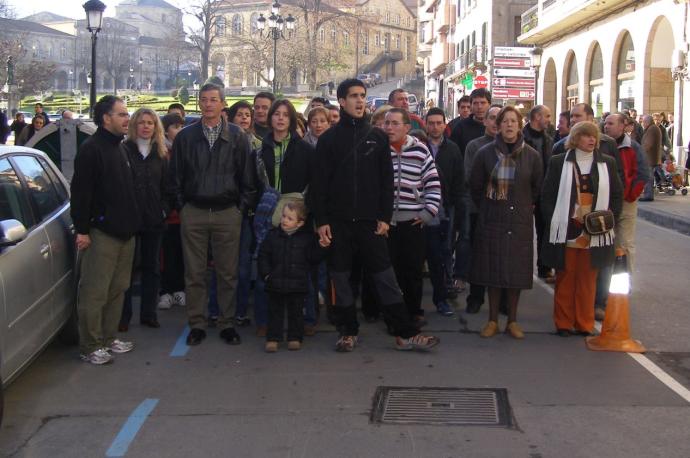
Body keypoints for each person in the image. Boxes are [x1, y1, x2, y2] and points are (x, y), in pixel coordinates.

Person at [312, 78, 440, 352]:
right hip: (339, 223)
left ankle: (404, 332)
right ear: (342, 102)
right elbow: (319, 184)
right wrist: (321, 221)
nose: (360, 100)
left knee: (385, 278)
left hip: (371, 223)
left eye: (363, 95)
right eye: (354, 96)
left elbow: (386, 182)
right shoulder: (329, 140)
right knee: (342, 279)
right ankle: (347, 331)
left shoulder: (377, 137)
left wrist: (384, 217)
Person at [168, 83, 258, 346]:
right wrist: (182, 206)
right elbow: (175, 177)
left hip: (227, 212)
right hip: (193, 212)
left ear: (222, 103)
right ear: (199, 103)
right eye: (204, 100)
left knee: (227, 272)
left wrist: (240, 208)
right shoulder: (185, 137)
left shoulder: (238, 137)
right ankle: (197, 322)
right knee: (194, 273)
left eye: (213, 100)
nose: (208, 104)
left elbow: (247, 178)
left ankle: (226, 323)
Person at [70, 95, 141, 365]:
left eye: (126, 114)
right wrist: (83, 230)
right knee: (94, 292)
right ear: (106, 118)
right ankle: (90, 345)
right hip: (101, 234)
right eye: (122, 114)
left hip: (125, 234)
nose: (127, 119)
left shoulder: (120, 147)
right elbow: (81, 194)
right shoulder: (91, 149)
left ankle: (109, 338)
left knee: (117, 289)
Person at [541, 121, 623, 337]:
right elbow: (547, 195)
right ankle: (563, 323)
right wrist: (555, 220)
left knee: (588, 279)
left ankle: (584, 323)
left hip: (596, 231)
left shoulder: (608, 163)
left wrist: (608, 218)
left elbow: (616, 195)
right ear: (576, 138)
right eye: (586, 135)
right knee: (566, 276)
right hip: (566, 228)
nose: (591, 139)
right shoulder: (559, 162)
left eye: (594, 135)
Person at [469, 106, 543, 339]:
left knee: (516, 273)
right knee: (493, 271)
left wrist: (522, 206)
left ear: (520, 125)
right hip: (493, 219)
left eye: (513, 121)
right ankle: (492, 320)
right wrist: (489, 208)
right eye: (505, 121)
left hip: (519, 221)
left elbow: (536, 188)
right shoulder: (485, 153)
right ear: (498, 126)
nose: (509, 125)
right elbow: (475, 186)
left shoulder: (532, 155)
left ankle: (512, 320)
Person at [256, 99, 314, 334]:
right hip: (268, 213)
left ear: (291, 120)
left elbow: (314, 182)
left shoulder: (305, 149)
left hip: (298, 213)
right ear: (270, 119)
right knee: (267, 268)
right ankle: (265, 321)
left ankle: (307, 320)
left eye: (285, 115)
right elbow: (254, 183)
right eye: (276, 114)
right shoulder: (260, 151)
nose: (280, 118)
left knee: (302, 270)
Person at [384, 108, 442, 323]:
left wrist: (428, 213)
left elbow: (433, 183)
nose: (389, 127)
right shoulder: (379, 150)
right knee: (390, 273)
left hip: (413, 222)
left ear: (407, 127)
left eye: (394, 123)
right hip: (386, 224)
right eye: (386, 123)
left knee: (412, 272)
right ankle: (394, 317)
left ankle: (414, 312)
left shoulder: (420, 151)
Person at [118, 108, 169, 331]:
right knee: (127, 269)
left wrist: (164, 210)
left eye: (150, 122)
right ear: (134, 126)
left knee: (152, 267)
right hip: (129, 219)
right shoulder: (123, 151)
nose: (146, 126)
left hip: (154, 220)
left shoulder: (162, 153)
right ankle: (123, 316)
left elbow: (168, 187)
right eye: (142, 122)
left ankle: (148, 314)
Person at [258, 201, 326, 352]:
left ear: (300, 223)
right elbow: (263, 255)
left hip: (298, 283)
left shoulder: (307, 239)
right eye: (283, 216)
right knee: (275, 312)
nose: (284, 220)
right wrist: (266, 274)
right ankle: (273, 338)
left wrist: (322, 247)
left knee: (296, 313)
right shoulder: (272, 236)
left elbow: (313, 258)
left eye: (289, 218)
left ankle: (295, 337)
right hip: (275, 281)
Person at [449, 88, 491, 311]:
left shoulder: (496, 132)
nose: (478, 106)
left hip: (492, 196)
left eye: (482, 102)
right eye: (475, 103)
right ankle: (461, 275)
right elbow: (456, 156)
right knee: (465, 237)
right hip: (467, 192)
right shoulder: (460, 127)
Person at [424, 107, 464, 315]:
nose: (435, 127)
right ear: (426, 124)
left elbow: (458, 180)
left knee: (442, 253)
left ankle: (442, 297)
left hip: (445, 208)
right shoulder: (419, 146)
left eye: (439, 123)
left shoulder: (453, 149)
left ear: (445, 124)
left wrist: (454, 208)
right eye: (431, 123)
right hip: (420, 207)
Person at [461, 105, 501, 310]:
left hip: (503, 211)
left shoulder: (513, 147)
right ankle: (475, 298)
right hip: (478, 207)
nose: (495, 122)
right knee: (478, 254)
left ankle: (501, 300)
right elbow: (470, 177)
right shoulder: (474, 146)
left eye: (499, 118)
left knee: (501, 256)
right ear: (484, 121)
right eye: (492, 118)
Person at [158, 113, 186, 310]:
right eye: (175, 126)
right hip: (166, 214)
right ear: (166, 130)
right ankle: (165, 291)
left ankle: (179, 289)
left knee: (181, 254)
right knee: (165, 255)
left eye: (181, 126)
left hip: (183, 213)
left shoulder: (185, 150)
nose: (179, 130)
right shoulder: (160, 152)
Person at [522, 105, 554, 281]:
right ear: (536, 117)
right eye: (547, 116)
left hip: (544, 194)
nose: (549, 119)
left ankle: (544, 268)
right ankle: (522, 269)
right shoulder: (521, 138)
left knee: (544, 232)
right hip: (525, 193)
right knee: (523, 233)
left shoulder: (549, 140)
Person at [640, 114, 663, 201]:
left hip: (649, 157)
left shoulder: (652, 129)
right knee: (649, 176)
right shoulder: (652, 128)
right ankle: (648, 194)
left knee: (648, 176)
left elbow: (648, 144)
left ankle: (648, 195)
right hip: (651, 157)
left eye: (643, 122)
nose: (642, 123)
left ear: (647, 122)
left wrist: (641, 152)